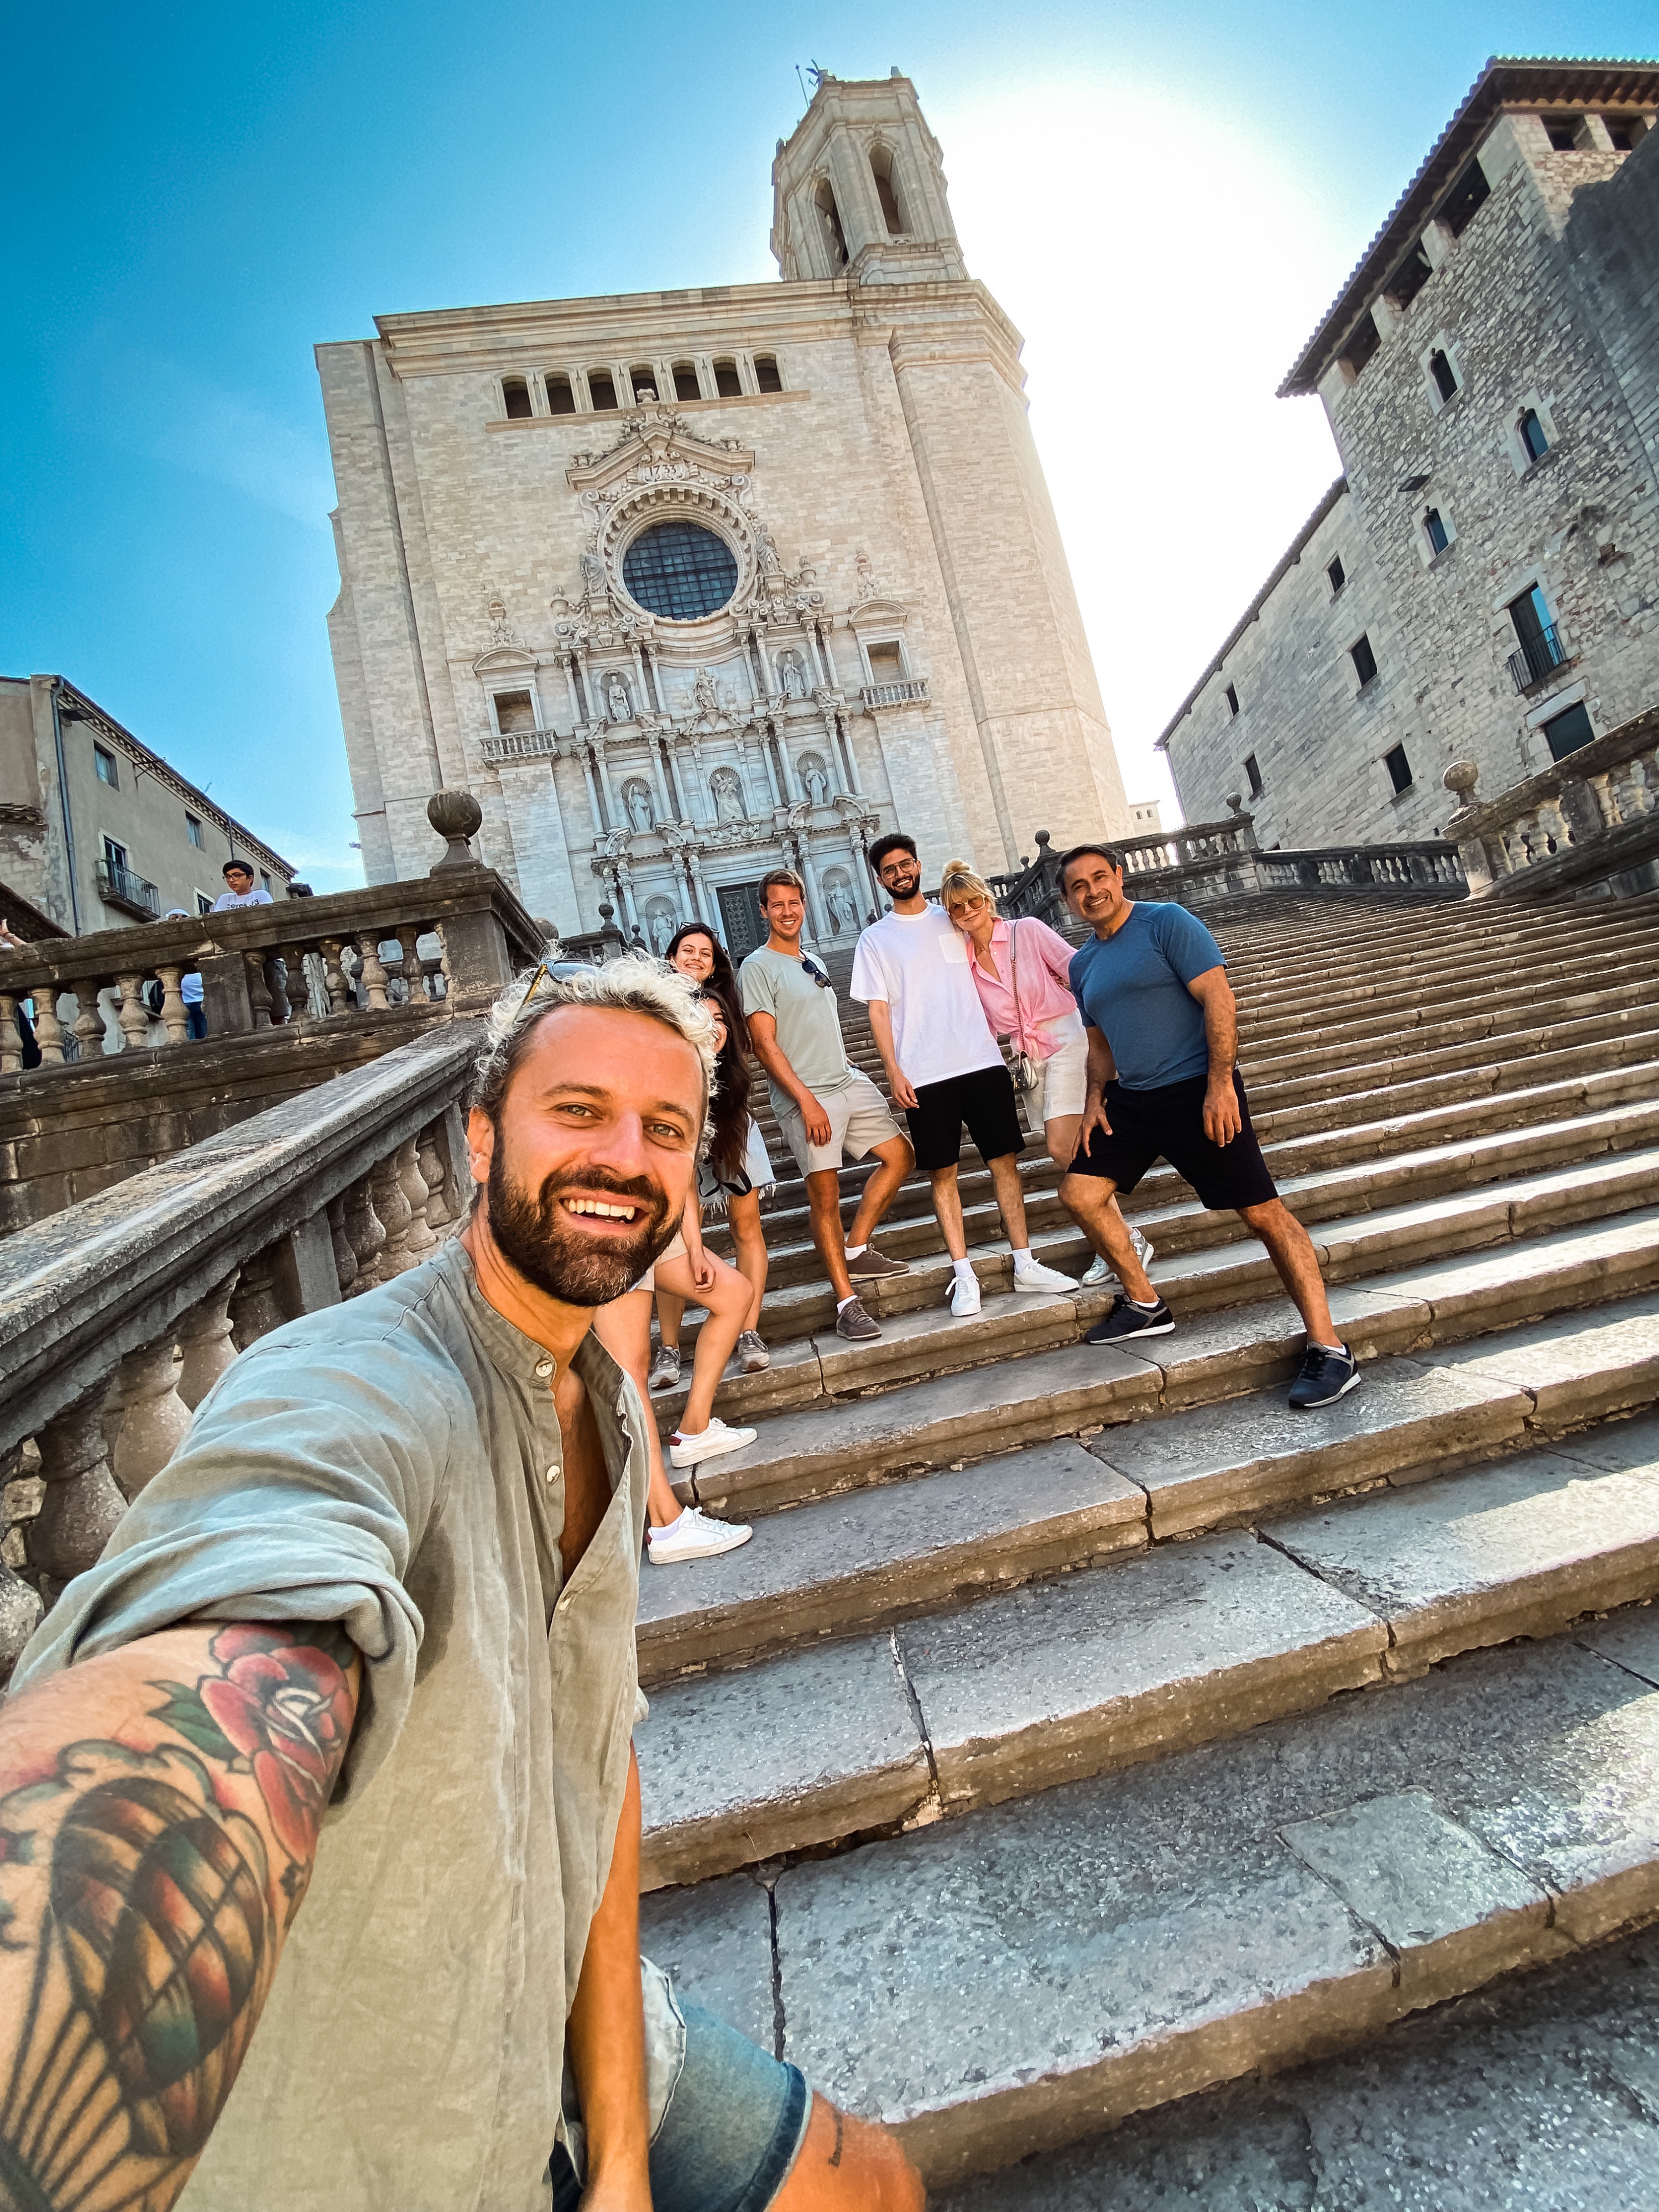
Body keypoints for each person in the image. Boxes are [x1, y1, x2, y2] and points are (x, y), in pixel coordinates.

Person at [0, 954, 923, 2212]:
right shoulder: (354, 1383)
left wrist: (620, 2165)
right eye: (578, 1109)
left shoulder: (604, 1404)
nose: (624, 1154)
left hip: (549, 1980)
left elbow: (590, 1766)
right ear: (480, 1136)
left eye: (662, 1125)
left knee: (871, 2183)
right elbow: (240, 1618)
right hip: (376, 2104)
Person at [1058, 843, 1363, 1410]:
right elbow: (1098, 1040)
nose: (1092, 890)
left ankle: (1330, 1347)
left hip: (1195, 1086)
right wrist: (1095, 1096)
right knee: (1079, 1192)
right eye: (1079, 885)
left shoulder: (1167, 922)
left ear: (1120, 877)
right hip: (1133, 1099)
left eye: (1101, 877)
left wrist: (1221, 1084)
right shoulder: (1082, 965)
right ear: (1068, 899)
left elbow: (1219, 1000)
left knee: (1263, 1214)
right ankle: (1145, 1303)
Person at [853, 834, 1074, 1318]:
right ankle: (964, 1274)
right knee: (943, 1175)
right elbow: (878, 1009)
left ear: (917, 864)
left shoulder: (952, 919)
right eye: (889, 869)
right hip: (925, 1072)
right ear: (880, 878)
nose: (899, 874)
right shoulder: (875, 939)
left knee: (1005, 1165)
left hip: (982, 1061)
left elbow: (998, 943)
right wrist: (893, 1071)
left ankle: (1025, 1263)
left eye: (905, 864)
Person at [938, 859, 1154, 1289]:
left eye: (974, 901)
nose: (968, 911)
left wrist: (1108, 1030)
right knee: (1069, 1152)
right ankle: (1119, 1241)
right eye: (957, 908)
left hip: (1066, 1038)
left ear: (988, 898)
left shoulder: (1026, 932)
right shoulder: (962, 961)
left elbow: (1080, 972)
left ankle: (1121, 1243)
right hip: (1028, 1058)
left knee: (1061, 1145)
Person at [740, 868, 913, 1342]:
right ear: (763, 911)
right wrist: (806, 1101)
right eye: (777, 904)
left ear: (805, 904)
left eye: (794, 902)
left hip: (846, 1082)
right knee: (826, 1199)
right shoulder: (756, 966)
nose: (787, 911)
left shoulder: (811, 959)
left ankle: (856, 1247)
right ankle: (846, 1303)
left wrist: (853, 1068)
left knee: (902, 1156)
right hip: (807, 1097)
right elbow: (764, 1044)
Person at [652, 923, 773, 1381]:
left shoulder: (721, 1004)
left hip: (730, 1124)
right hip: (674, 1128)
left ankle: (749, 1331)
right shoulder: (655, 1007)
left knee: (747, 1226)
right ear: (671, 958)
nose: (697, 958)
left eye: (706, 952)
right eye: (688, 950)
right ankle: (668, 1347)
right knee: (678, 1239)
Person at [161, 907, 209, 1038]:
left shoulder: (196, 940)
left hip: (201, 997)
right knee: (189, 1037)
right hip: (181, 1000)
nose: (179, 920)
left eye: (183, 917)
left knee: (206, 1034)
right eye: (175, 917)